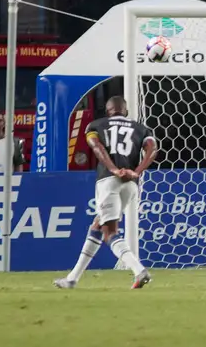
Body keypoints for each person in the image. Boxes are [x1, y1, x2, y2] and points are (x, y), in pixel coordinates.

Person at [54, 96, 156, 290]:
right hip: (131, 184)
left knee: (110, 233)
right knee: (98, 225)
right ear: (126, 111)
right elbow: (152, 149)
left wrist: (114, 169)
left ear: (107, 111)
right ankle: (72, 279)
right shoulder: (141, 128)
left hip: (109, 181)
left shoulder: (95, 125)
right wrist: (137, 171)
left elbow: (96, 147)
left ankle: (139, 270)